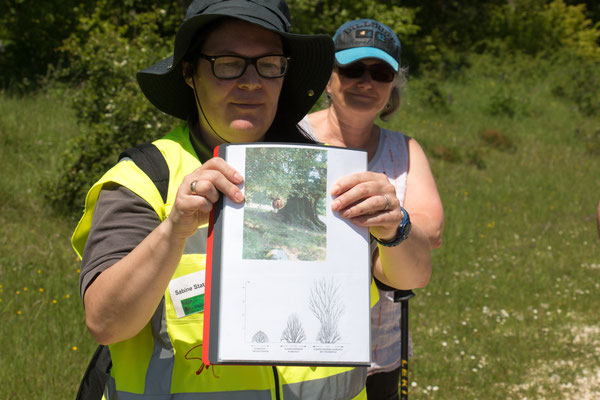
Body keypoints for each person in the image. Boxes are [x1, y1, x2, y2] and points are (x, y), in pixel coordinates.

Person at [71, 1, 433, 398]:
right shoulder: (147, 179)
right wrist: (174, 229)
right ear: (190, 73)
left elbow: (410, 277)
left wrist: (395, 226)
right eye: (228, 64)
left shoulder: (324, 169)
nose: (250, 81)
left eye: (269, 64)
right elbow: (106, 323)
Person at [299, 18, 444, 400]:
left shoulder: (405, 149)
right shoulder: (290, 138)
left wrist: (393, 225)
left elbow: (432, 234)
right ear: (328, 78)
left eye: (380, 72)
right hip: (299, 343)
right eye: (352, 69)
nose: (366, 82)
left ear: (393, 85)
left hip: (378, 344)